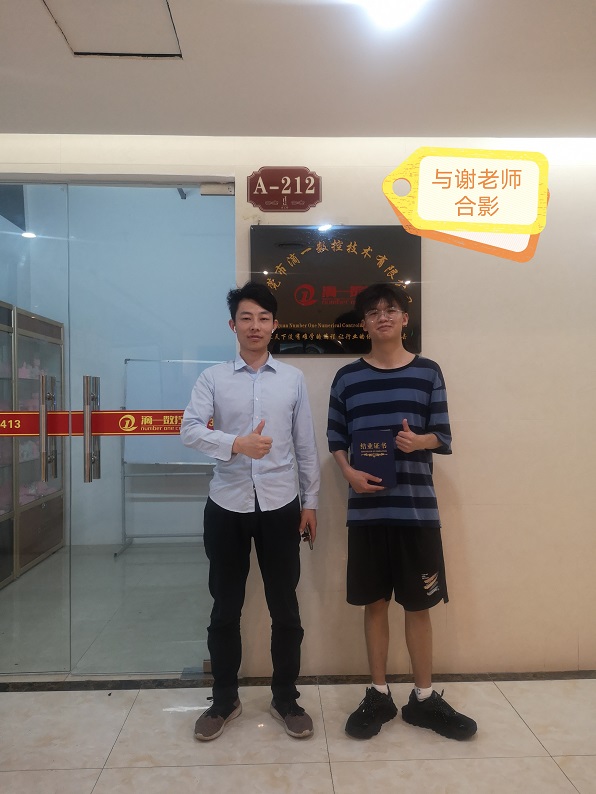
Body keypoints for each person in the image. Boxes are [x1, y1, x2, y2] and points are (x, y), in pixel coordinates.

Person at [327, 282, 477, 741]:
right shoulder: (347, 378)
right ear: (364, 323)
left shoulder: (428, 372)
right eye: (373, 312)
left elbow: (443, 436)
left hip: (416, 512)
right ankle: (378, 694)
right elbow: (336, 438)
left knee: (419, 605)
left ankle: (423, 699)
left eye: (390, 309)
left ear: (405, 318)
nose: (382, 317)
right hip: (367, 513)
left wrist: (419, 441)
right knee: (374, 604)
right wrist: (349, 473)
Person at [181, 281, 320, 742]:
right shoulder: (213, 378)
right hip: (227, 504)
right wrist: (235, 444)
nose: (255, 326)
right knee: (225, 608)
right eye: (246, 317)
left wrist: (311, 502)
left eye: (263, 318)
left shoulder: (292, 379)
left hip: (281, 505)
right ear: (233, 325)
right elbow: (189, 429)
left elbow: (305, 444)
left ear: (275, 325)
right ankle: (224, 700)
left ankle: (286, 698)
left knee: (286, 609)